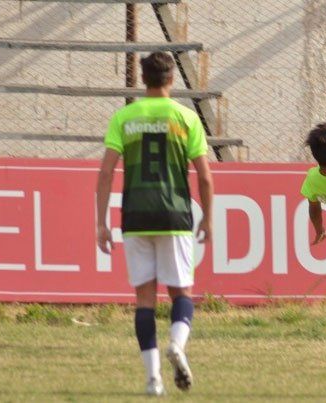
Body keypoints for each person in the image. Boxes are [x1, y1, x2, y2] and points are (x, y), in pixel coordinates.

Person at [96, 52, 213, 396]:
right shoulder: (186, 118)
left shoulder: (124, 117)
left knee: (144, 299)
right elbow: (205, 176)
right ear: (171, 79)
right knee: (181, 292)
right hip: (174, 215)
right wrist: (208, 216)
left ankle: (153, 379)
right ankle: (176, 344)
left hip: (136, 215)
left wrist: (101, 223)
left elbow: (106, 172)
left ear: (142, 79)